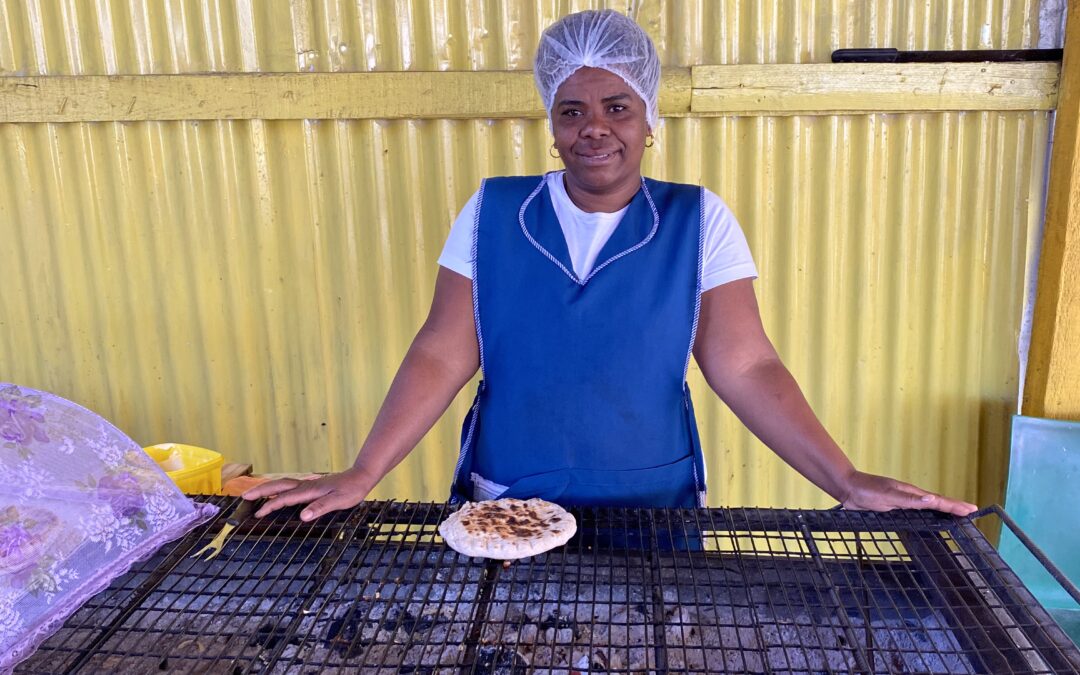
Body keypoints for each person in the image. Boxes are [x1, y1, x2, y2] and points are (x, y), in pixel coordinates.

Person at [245, 10, 977, 520]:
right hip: (508, 508)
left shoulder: (696, 221)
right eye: (571, 110)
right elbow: (442, 351)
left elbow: (747, 365)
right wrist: (363, 470)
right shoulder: (497, 214)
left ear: (649, 118)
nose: (593, 126)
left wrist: (843, 478)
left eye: (617, 106)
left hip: (650, 512)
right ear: (552, 120)